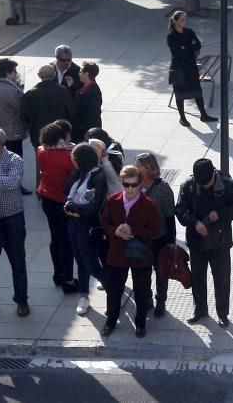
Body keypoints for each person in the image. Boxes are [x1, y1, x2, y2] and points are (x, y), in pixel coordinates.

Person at [176, 158, 233, 328]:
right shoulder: (188, 186)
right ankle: (200, 310)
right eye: (201, 184)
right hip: (196, 242)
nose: (204, 187)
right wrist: (195, 222)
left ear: (213, 174)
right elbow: (180, 209)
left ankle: (223, 313)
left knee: (221, 279)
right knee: (198, 277)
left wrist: (220, 213)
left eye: (207, 183)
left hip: (219, 242)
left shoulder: (227, 186)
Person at [99, 165, 160, 338]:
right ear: (121, 182)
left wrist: (133, 229)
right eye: (127, 185)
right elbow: (105, 222)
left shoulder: (148, 204)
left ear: (140, 184)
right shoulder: (113, 200)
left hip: (140, 255)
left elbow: (155, 229)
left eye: (134, 185)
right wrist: (114, 232)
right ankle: (111, 321)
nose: (130, 189)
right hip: (117, 254)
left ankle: (140, 323)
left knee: (141, 291)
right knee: (114, 290)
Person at [0, 127, 29, 319]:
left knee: (17, 262)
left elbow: (12, 182)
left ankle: (21, 300)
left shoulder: (14, 160)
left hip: (12, 219)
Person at [63, 142, 108, 316]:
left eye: (74, 158)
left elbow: (94, 206)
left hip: (87, 225)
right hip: (73, 223)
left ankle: (113, 291)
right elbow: (66, 189)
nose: (72, 161)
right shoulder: (80, 173)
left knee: (91, 264)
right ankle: (84, 296)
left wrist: (75, 207)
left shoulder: (98, 176)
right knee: (80, 261)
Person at [36, 122, 77, 292]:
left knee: (55, 238)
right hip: (64, 201)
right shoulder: (68, 156)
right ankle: (68, 280)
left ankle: (58, 275)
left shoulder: (40, 151)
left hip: (47, 197)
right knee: (67, 241)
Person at [135, 153, 176, 318]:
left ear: (150, 168)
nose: (136, 169)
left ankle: (161, 301)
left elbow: (170, 216)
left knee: (161, 272)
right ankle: (147, 299)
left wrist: (171, 241)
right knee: (143, 273)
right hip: (141, 239)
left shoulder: (163, 188)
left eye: (140, 166)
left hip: (159, 238)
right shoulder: (134, 185)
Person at [166, 10, 218, 127]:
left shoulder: (189, 32)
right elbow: (177, 53)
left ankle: (203, 115)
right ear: (175, 21)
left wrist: (185, 48)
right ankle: (182, 118)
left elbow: (198, 45)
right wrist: (189, 48)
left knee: (197, 91)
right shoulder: (171, 36)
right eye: (182, 20)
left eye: (185, 19)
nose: (185, 22)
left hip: (190, 67)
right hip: (178, 68)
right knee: (180, 94)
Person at [20, 65, 75, 150]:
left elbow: (24, 116)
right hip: (60, 136)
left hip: (39, 136)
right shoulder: (63, 91)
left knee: (42, 160)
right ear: (54, 75)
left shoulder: (30, 94)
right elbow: (71, 112)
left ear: (39, 75)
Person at [0, 58, 25, 160]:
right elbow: (21, 109)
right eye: (14, 70)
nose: (16, 73)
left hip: (1, 130)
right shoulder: (11, 90)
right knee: (15, 162)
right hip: (13, 133)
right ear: (7, 73)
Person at [72, 61, 102, 143]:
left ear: (87, 74)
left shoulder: (92, 92)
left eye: (81, 72)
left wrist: (86, 132)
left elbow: (92, 114)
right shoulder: (85, 87)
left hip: (85, 132)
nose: (79, 74)